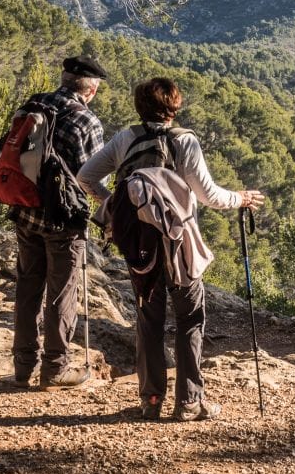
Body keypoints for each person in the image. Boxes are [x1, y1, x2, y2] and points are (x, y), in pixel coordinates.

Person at [77, 77, 264, 421]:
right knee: (190, 319)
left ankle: (150, 401)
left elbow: (85, 176)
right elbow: (210, 196)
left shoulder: (126, 138)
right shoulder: (185, 141)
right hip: (180, 243)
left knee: (149, 319)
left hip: (140, 245)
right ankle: (189, 403)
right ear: (174, 107)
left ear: (140, 106)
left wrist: (118, 205)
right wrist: (242, 198)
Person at [11, 55, 106, 390]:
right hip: (64, 220)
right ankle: (55, 368)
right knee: (61, 293)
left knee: (27, 287)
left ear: (63, 79)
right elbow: (89, 178)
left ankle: (23, 366)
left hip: (25, 211)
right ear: (91, 91)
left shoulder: (33, 105)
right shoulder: (86, 122)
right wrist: (110, 209)